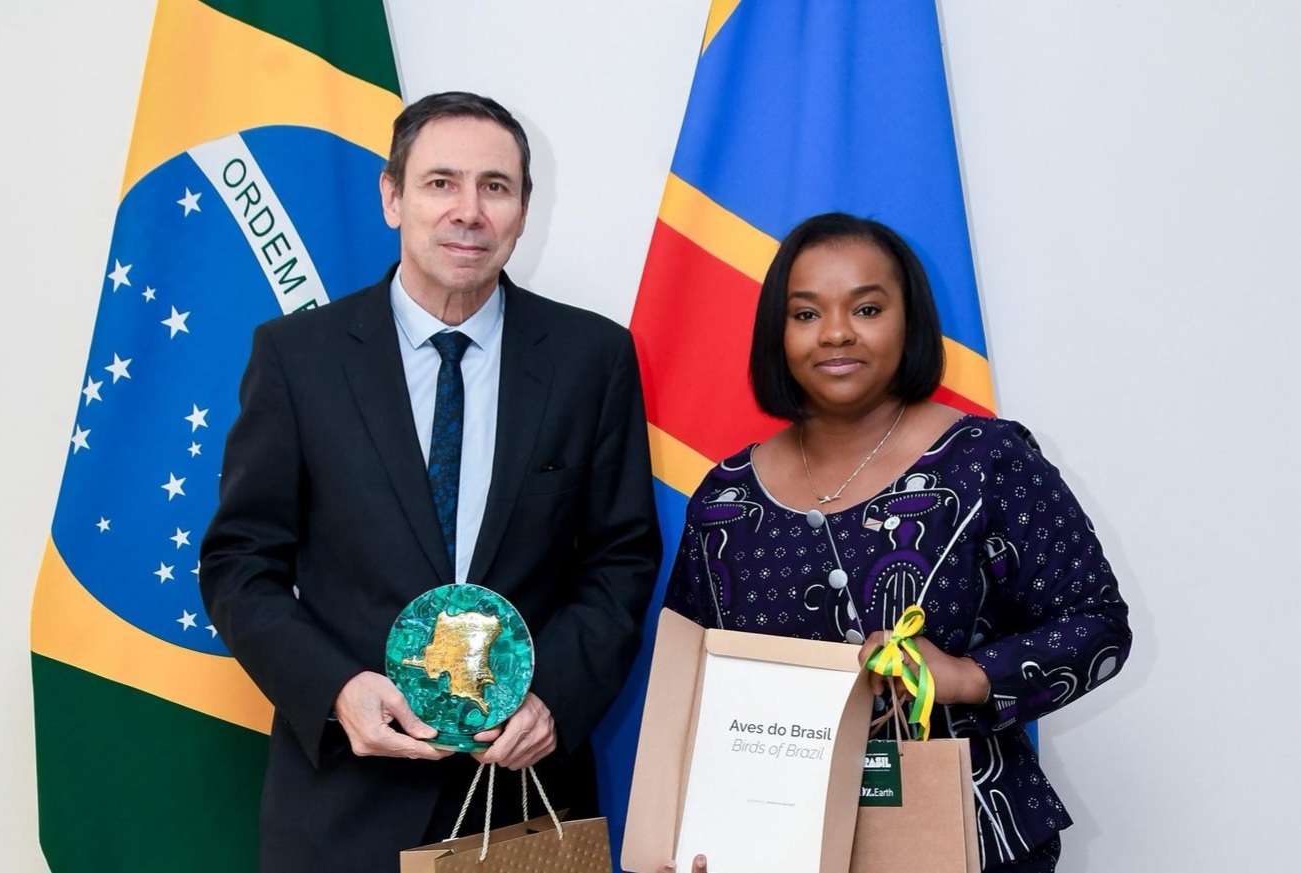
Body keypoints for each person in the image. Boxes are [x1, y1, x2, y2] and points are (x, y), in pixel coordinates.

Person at [200, 91, 661, 873]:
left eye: (495, 186)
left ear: (523, 210)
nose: (468, 211)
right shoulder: (297, 358)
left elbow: (620, 559)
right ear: (393, 197)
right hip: (342, 805)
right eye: (440, 182)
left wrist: (553, 695)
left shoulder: (592, 359)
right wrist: (335, 688)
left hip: (521, 802)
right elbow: (239, 563)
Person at [662, 213, 1131, 873]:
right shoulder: (724, 499)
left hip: (966, 839)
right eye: (806, 313)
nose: (835, 332)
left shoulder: (986, 461)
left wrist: (967, 676)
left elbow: (1097, 624)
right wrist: (689, 831)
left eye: (867, 308)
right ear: (776, 332)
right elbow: (693, 685)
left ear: (909, 322)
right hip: (775, 846)